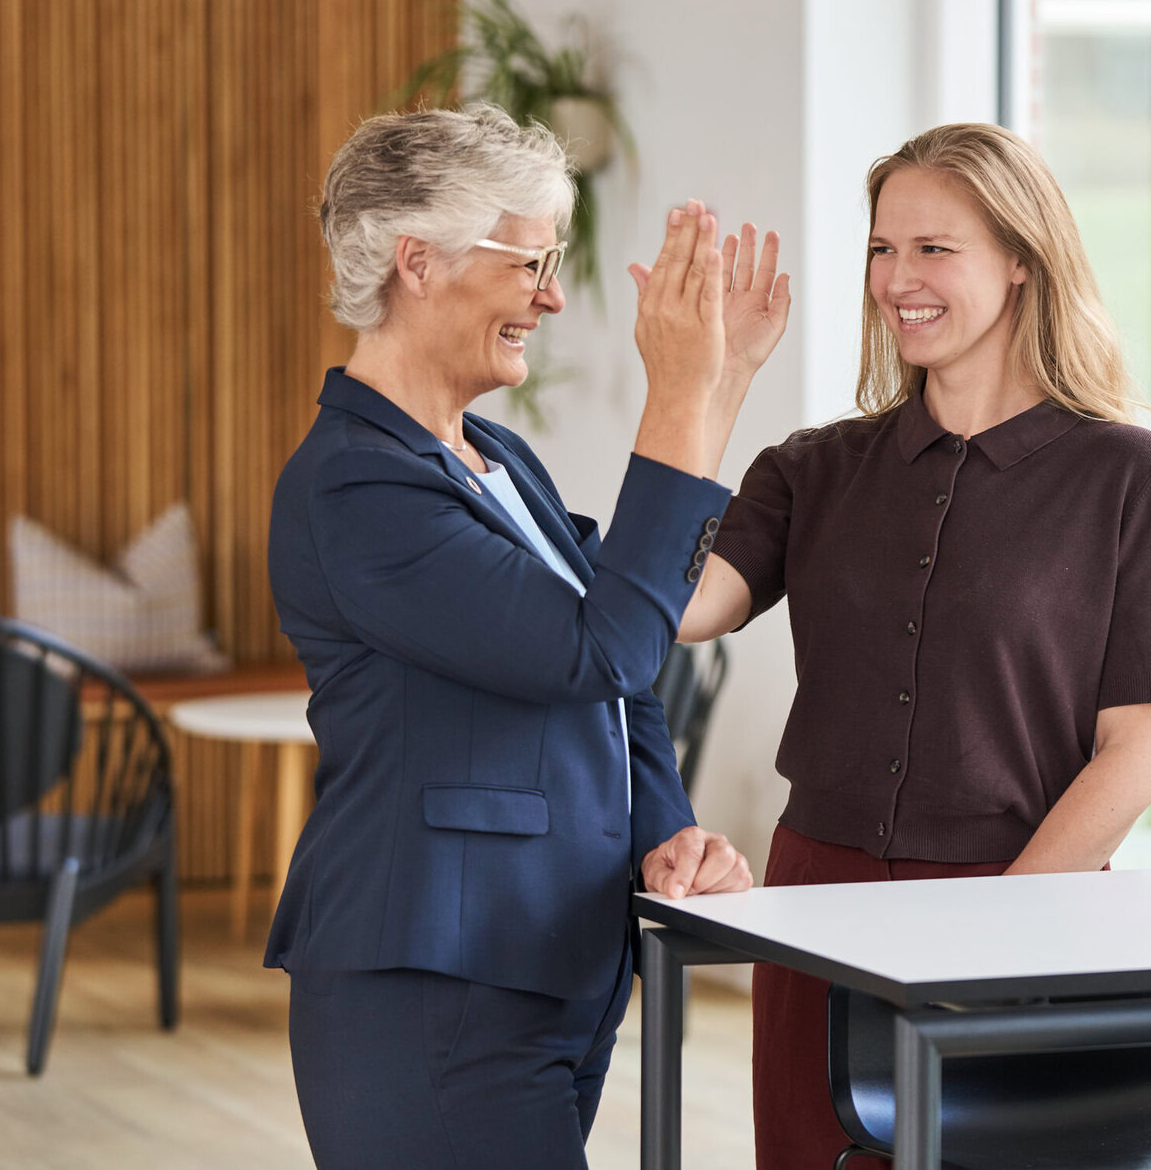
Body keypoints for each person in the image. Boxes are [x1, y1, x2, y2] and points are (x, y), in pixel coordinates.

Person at [264, 104, 791, 1168]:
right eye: (533, 260)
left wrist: (667, 830)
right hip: (432, 984)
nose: (552, 295)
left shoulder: (499, 460)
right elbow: (595, 650)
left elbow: (623, 666)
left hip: (545, 967)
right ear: (419, 261)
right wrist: (679, 393)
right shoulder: (356, 485)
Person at [676, 122, 1151, 1170]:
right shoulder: (811, 468)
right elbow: (671, 611)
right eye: (880, 248)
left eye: (932, 248)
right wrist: (707, 386)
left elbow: (1137, 747)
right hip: (819, 908)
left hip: (1032, 899)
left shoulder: (1126, 475)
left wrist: (995, 933)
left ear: (1019, 260)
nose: (896, 278)